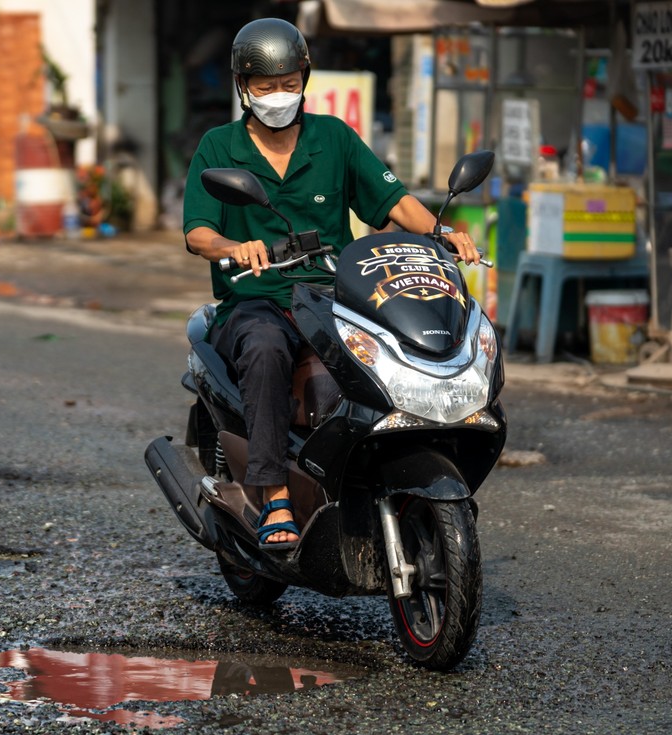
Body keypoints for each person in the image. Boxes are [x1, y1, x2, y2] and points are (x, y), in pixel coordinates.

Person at [183, 17, 480, 549]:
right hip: (257, 300)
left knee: (386, 353)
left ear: (305, 78)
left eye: (289, 83)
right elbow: (198, 233)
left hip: (331, 295)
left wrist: (444, 231)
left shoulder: (334, 138)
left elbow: (393, 201)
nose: (278, 95)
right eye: (265, 86)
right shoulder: (218, 146)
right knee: (267, 349)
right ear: (242, 87)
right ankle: (273, 494)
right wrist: (235, 247)